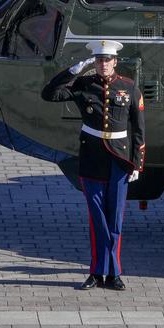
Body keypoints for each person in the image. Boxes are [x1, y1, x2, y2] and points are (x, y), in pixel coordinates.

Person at [41, 40, 145, 291]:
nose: (103, 64)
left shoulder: (129, 88)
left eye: (107, 60)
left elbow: (139, 129)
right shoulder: (83, 85)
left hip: (119, 159)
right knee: (97, 219)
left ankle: (113, 273)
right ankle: (97, 273)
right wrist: (73, 71)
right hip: (92, 157)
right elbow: (49, 94)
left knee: (115, 219)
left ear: (115, 62)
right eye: (99, 60)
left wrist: (137, 164)